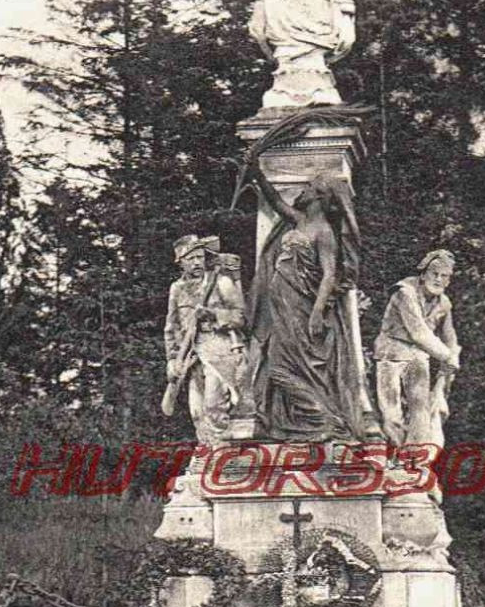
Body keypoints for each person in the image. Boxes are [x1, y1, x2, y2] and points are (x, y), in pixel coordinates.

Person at [242, 163, 378, 443]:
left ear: (319, 196)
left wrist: (317, 313)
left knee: (280, 369)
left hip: (301, 308)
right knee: (277, 366)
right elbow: (276, 201)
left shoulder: (324, 231)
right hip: (281, 308)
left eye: (309, 188)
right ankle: (310, 421)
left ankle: (324, 419)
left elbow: (329, 276)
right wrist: (255, 169)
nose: (302, 191)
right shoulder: (300, 220)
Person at [162, 234, 246, 446]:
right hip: (191, 354)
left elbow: (240, 317)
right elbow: (171, 328)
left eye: (200, 257)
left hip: (218, 350)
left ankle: (224, 455)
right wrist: (172, 360)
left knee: (214, 405)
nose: (197, 262)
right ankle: (208, 454)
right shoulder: (177, 289)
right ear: (181, 262)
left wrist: (212, 315)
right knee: (197, 412)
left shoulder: (220, 282)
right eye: (191, 259)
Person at [247, 0, 355, 110]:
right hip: (282, 80)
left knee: (326, 98)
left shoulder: (335, 5)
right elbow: (259, 36)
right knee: (274, 100)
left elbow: (345, 42)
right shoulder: (269, 7)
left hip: (320, 80)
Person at [375, 250, 461, 452]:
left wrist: (454, 354)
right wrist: (446, 355)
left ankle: (415, 462)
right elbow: (418, 332)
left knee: (420, 410)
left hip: (418, 356)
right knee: (391, 413)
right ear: (423, 274)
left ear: (449, 280)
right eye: (434, 274)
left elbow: (450, 336)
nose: (438, 279)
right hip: (392, 354)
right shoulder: (405, 292)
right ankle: (390, 457)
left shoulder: (444, 303)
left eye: (444, 276)